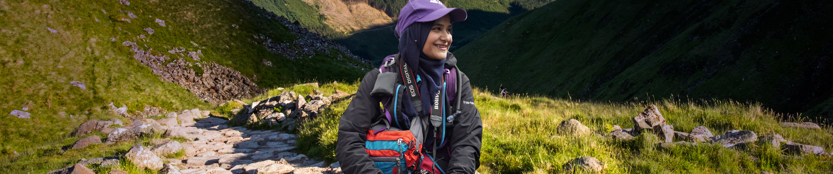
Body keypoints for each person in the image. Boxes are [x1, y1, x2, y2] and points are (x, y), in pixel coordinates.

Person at [335, 0, 482, 173]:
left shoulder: (456, 81)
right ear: (414, 33)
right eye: (436, 28)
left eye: (448, 29)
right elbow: (349, 137)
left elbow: (467, 141)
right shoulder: (379, 79)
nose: (447, 37)